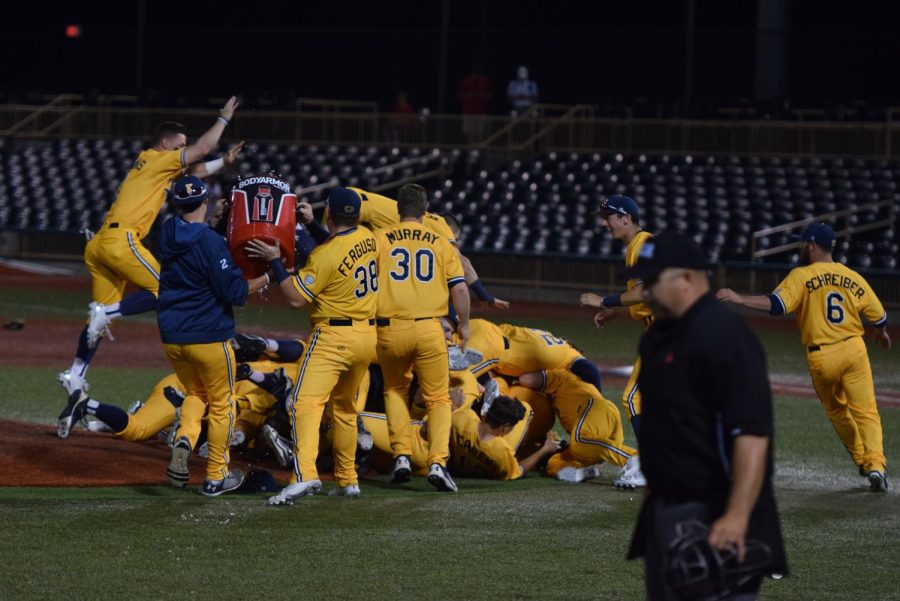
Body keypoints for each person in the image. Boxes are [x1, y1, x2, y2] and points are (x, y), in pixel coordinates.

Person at [625, 231, 787, 600]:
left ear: (687, 277)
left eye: (652, 281)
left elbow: (752, 433)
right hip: (667, 510)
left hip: (717, 513)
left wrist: (737, 515)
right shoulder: (657, 339)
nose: (644, 292)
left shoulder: (726, 335)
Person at [58, 97, 244, 397]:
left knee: (96, 322)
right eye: (180, 144)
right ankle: (107, 313)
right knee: (163, 291)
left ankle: (76, 374)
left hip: (99, 244)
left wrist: (224, 162)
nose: (184, 150)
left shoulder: (148, 165)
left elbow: (194, 174)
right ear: (166, 143)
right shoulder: (160, 159)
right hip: (121, 240)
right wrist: (223, 119)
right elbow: (202, 150)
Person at [717, 223, 891, 492]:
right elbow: (879, 315)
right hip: (854, 349)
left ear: (811, 245)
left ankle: (861, 460)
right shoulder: (851, 275)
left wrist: (740, 298)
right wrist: (880, 333)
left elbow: (776, 305)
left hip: (822, 356)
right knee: (867, 412)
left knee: (837, 411)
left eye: (802, 243)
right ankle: (876, 466)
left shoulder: (801, 275)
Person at [246, 187, 379, 503]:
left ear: (329, 213)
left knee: (302, 404)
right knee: (345, 409)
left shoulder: (324, 255)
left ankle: (304, 475)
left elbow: (294, 297)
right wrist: (316, 229)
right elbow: (341, 251)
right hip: (366, 338)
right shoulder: (370, 237)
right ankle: (348, 479)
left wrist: (275, 262)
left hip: (334, 338)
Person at [156, 175, 270, 497]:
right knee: (223, 405)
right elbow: (234, 291)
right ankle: (215, 477)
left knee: (195, 394)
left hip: (172, 336)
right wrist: (268, 276)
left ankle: (185, 439)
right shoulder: (209, 241)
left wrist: (216, 229)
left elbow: (196, 247)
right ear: (205, 202)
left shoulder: (167, 232)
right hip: (207, 335)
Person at [374, 184, 471, 492]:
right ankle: (438, 462)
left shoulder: (379, 239)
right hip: (430, 328)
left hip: (390, 328)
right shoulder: (442, 242)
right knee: (438, 398)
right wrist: (464, 326)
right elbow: (459, 288)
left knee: (395, 389)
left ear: (398, 208)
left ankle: (401, 454)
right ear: (425, 208)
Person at [581, 194, 653, 438]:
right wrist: (616, 310)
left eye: (608, 217)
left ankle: (649, 464)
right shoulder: (643, 244)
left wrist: (603, 301)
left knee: (634, 399)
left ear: (625, 218)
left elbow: (647, 292)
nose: (604, 223)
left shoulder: (642, 245)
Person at [517, 369, 644, 488]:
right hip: (598, 424)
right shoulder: (558, 395)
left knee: (579, 443)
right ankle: (586, 471)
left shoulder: (563, 376)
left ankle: (634, 458)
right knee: (553, 464)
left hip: (597, 409)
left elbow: (526, 379)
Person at [459, 63, 492, 141]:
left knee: (480, 132)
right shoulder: (466, 80)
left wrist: (481, 94)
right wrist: (471, 95)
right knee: (469, 132)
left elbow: (489, 96)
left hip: (481, 113)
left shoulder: (485, 80)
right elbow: (460, 95)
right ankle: (471, 148)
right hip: (468, 112)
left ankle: (478, 149)